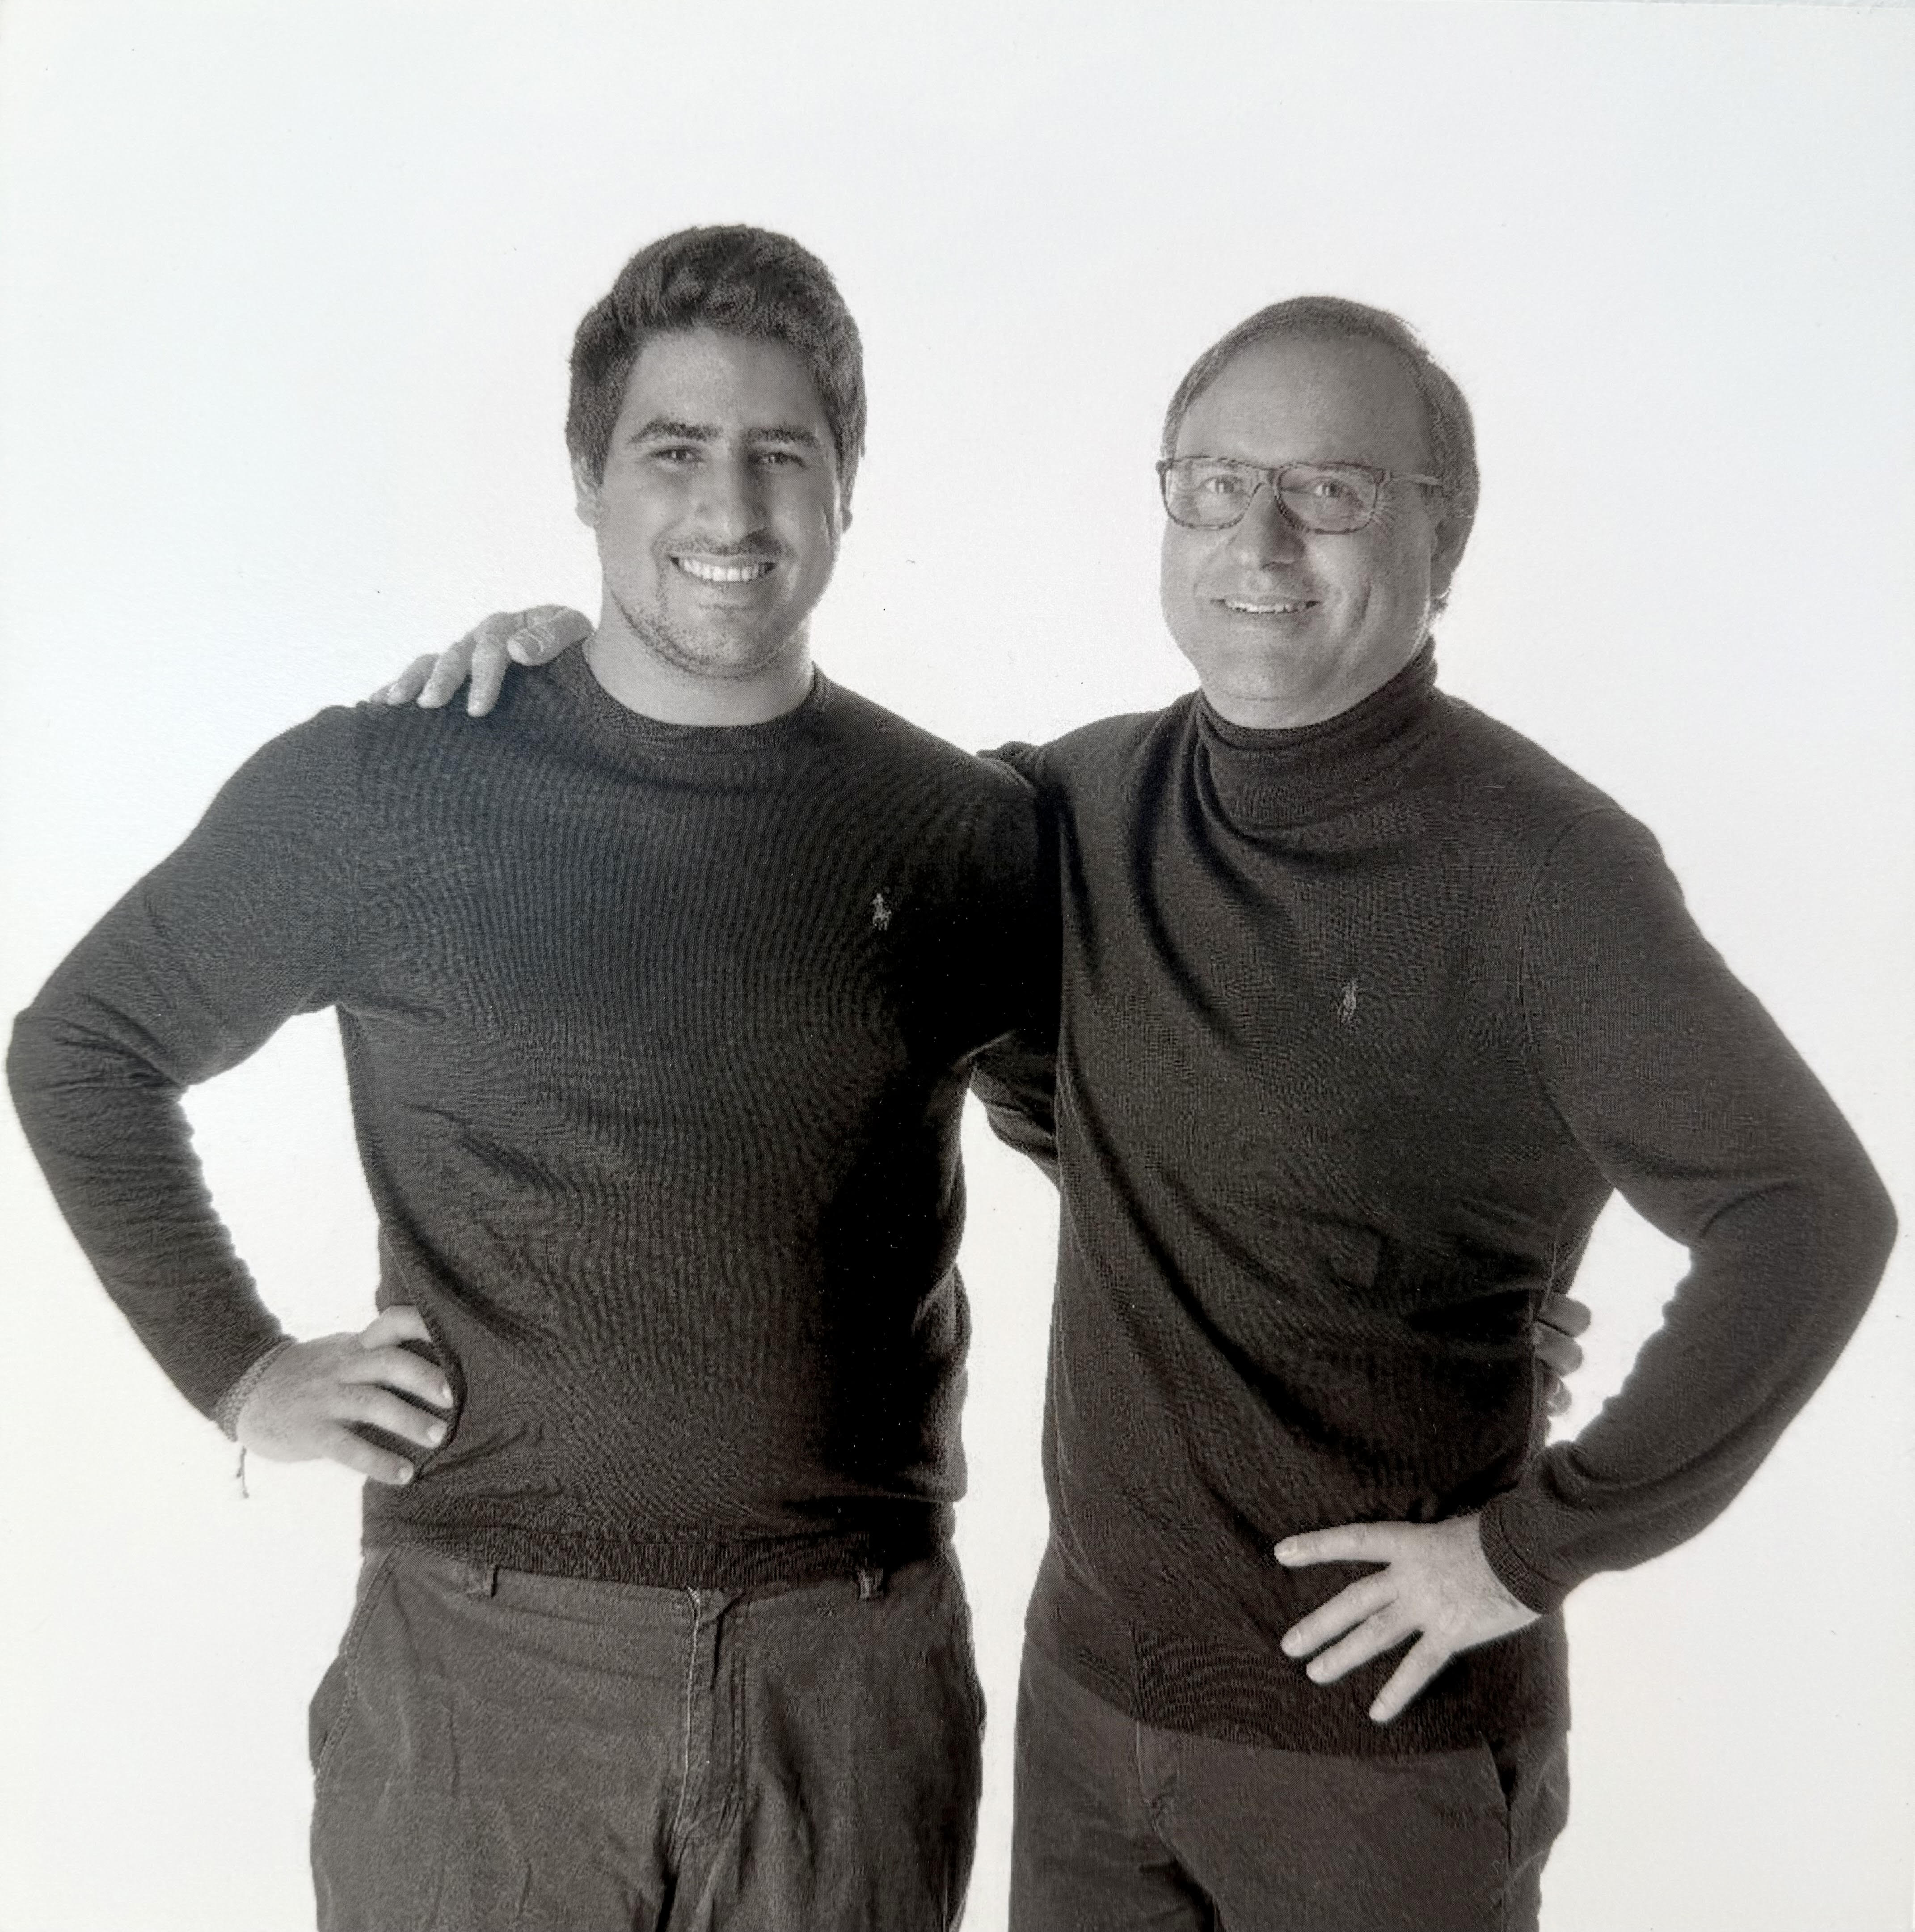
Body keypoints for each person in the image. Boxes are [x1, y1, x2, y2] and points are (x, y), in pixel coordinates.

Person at [418, 294, 1895, 1932]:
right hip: (1088, 1724)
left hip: (1377, 1765)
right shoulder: (1076, 804)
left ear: (1446, 534)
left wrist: (1526, 1550)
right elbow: (823, 834)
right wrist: (575, 671)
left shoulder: (1547, 872)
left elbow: (1805, 1216)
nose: (1260, 538)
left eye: (1331, 490)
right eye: (1215, 483)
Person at [7, 224, 1047, 1932]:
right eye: (673, 451)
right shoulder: (391, 787)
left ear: (848, 485)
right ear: (584, 479)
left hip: (846, 1683)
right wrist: (239, 1367)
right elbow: (85, 1047)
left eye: (782, 454)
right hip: (482, 1677)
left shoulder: (960, 834)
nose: (730, 508)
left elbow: (1147, 1141)